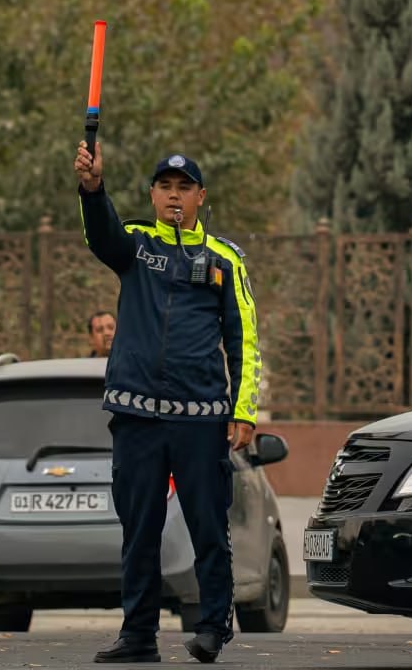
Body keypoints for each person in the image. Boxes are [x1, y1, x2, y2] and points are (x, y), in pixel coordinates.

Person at [73, 141, 262, 664]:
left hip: (201, 419)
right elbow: (99, 233)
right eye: (165, 188)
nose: (174, 197)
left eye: (184, 189)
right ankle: (137, 635)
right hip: (136, 416)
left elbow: (243, 336)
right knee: (139, 530)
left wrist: (244, 409)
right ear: (153, 195)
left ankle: (212, 628)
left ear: (201, 196)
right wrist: (92, 188)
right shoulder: (133, 244)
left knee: (208, 526)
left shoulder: (224, 258)